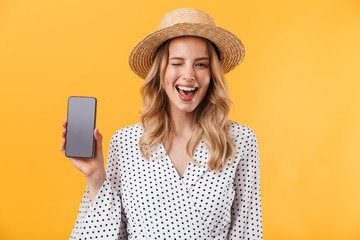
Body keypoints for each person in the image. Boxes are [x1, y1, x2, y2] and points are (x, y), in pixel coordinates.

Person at [60, 8, 263, 240]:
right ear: (160, 71)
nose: (189, 75)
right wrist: (95, 176)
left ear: (212, 74)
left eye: (201, 64)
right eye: (177, 63)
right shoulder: (125, 142)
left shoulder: (240, 141)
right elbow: (112, 234)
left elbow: (247, 231)